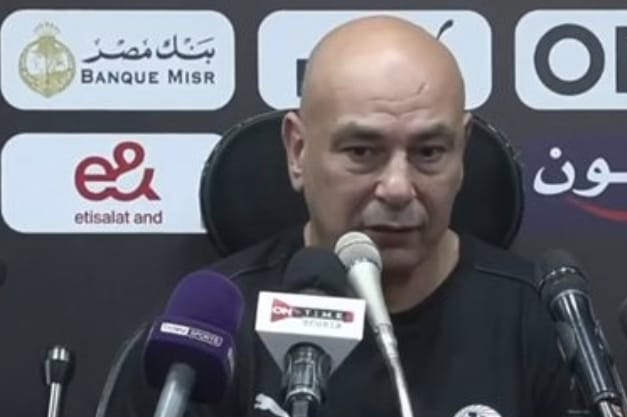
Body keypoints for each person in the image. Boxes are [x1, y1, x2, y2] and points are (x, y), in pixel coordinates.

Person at [97, 15, 584, 417]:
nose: (398, 187)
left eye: (429, 152)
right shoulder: (207, 333)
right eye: (362, 151)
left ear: (462, 151)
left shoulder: (543, 324)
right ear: (298, 151)